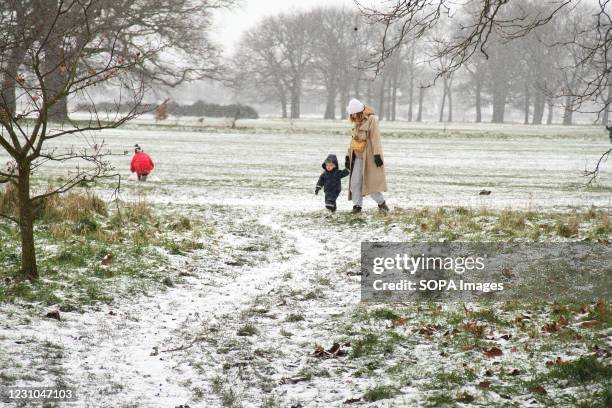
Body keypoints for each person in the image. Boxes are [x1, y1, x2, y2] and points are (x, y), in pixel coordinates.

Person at [345, 98, 389, 214]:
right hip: (357, 157)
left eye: (354, 113)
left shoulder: (372, 120)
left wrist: (377, 155)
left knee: (371, 184)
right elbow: (353, 140)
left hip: (369, 157)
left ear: (359, 111)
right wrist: (348, 156)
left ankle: (382, 204)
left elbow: (375, 138)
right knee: (355, 182)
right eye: (351, 114)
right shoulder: (356, 122)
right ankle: (357, 206)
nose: (353, 115)